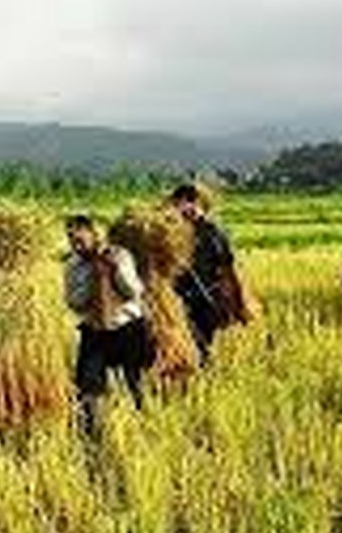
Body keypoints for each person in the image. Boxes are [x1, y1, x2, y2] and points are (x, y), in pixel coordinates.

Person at [63, 214, 153, 438]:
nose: (76, 245)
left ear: (94, 235)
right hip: (94, 332)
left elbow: (134, 292)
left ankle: (142, 429)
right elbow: (73, 302)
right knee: (87, 387)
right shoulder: (73, 266)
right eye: (71, 240)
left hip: (127, 328)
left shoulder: (120, 255)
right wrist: (93, 281)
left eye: (80, 239)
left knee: (134, 384)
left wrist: (113, 269)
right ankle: (91, 435)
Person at [167, 184, 246, 364]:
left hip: (206, 296)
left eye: (183, 205)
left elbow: (228, 267)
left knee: (202, 343)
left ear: (195, 203)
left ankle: (204, 377)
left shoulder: (214, 233)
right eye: (176, 206)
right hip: (179, 298)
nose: (180, 211)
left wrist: (236, 300)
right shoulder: (173, 232)